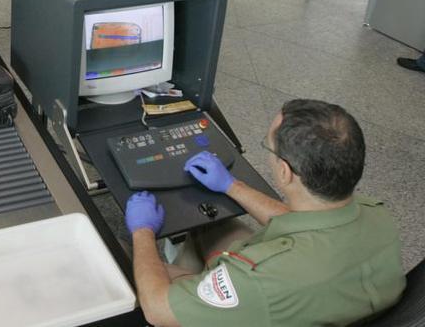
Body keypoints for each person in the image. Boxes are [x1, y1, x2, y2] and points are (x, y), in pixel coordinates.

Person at [125, 99, 406, 326]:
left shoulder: (258, 279)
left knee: (126, 263)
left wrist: (142, 231)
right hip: (313, 298)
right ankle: (191, 267)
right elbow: (302, 223)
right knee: (212, 222)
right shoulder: (376, 215)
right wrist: (231, 185)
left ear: (285, 172)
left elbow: (158, 310)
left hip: (263, 298)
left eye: (268, 147)